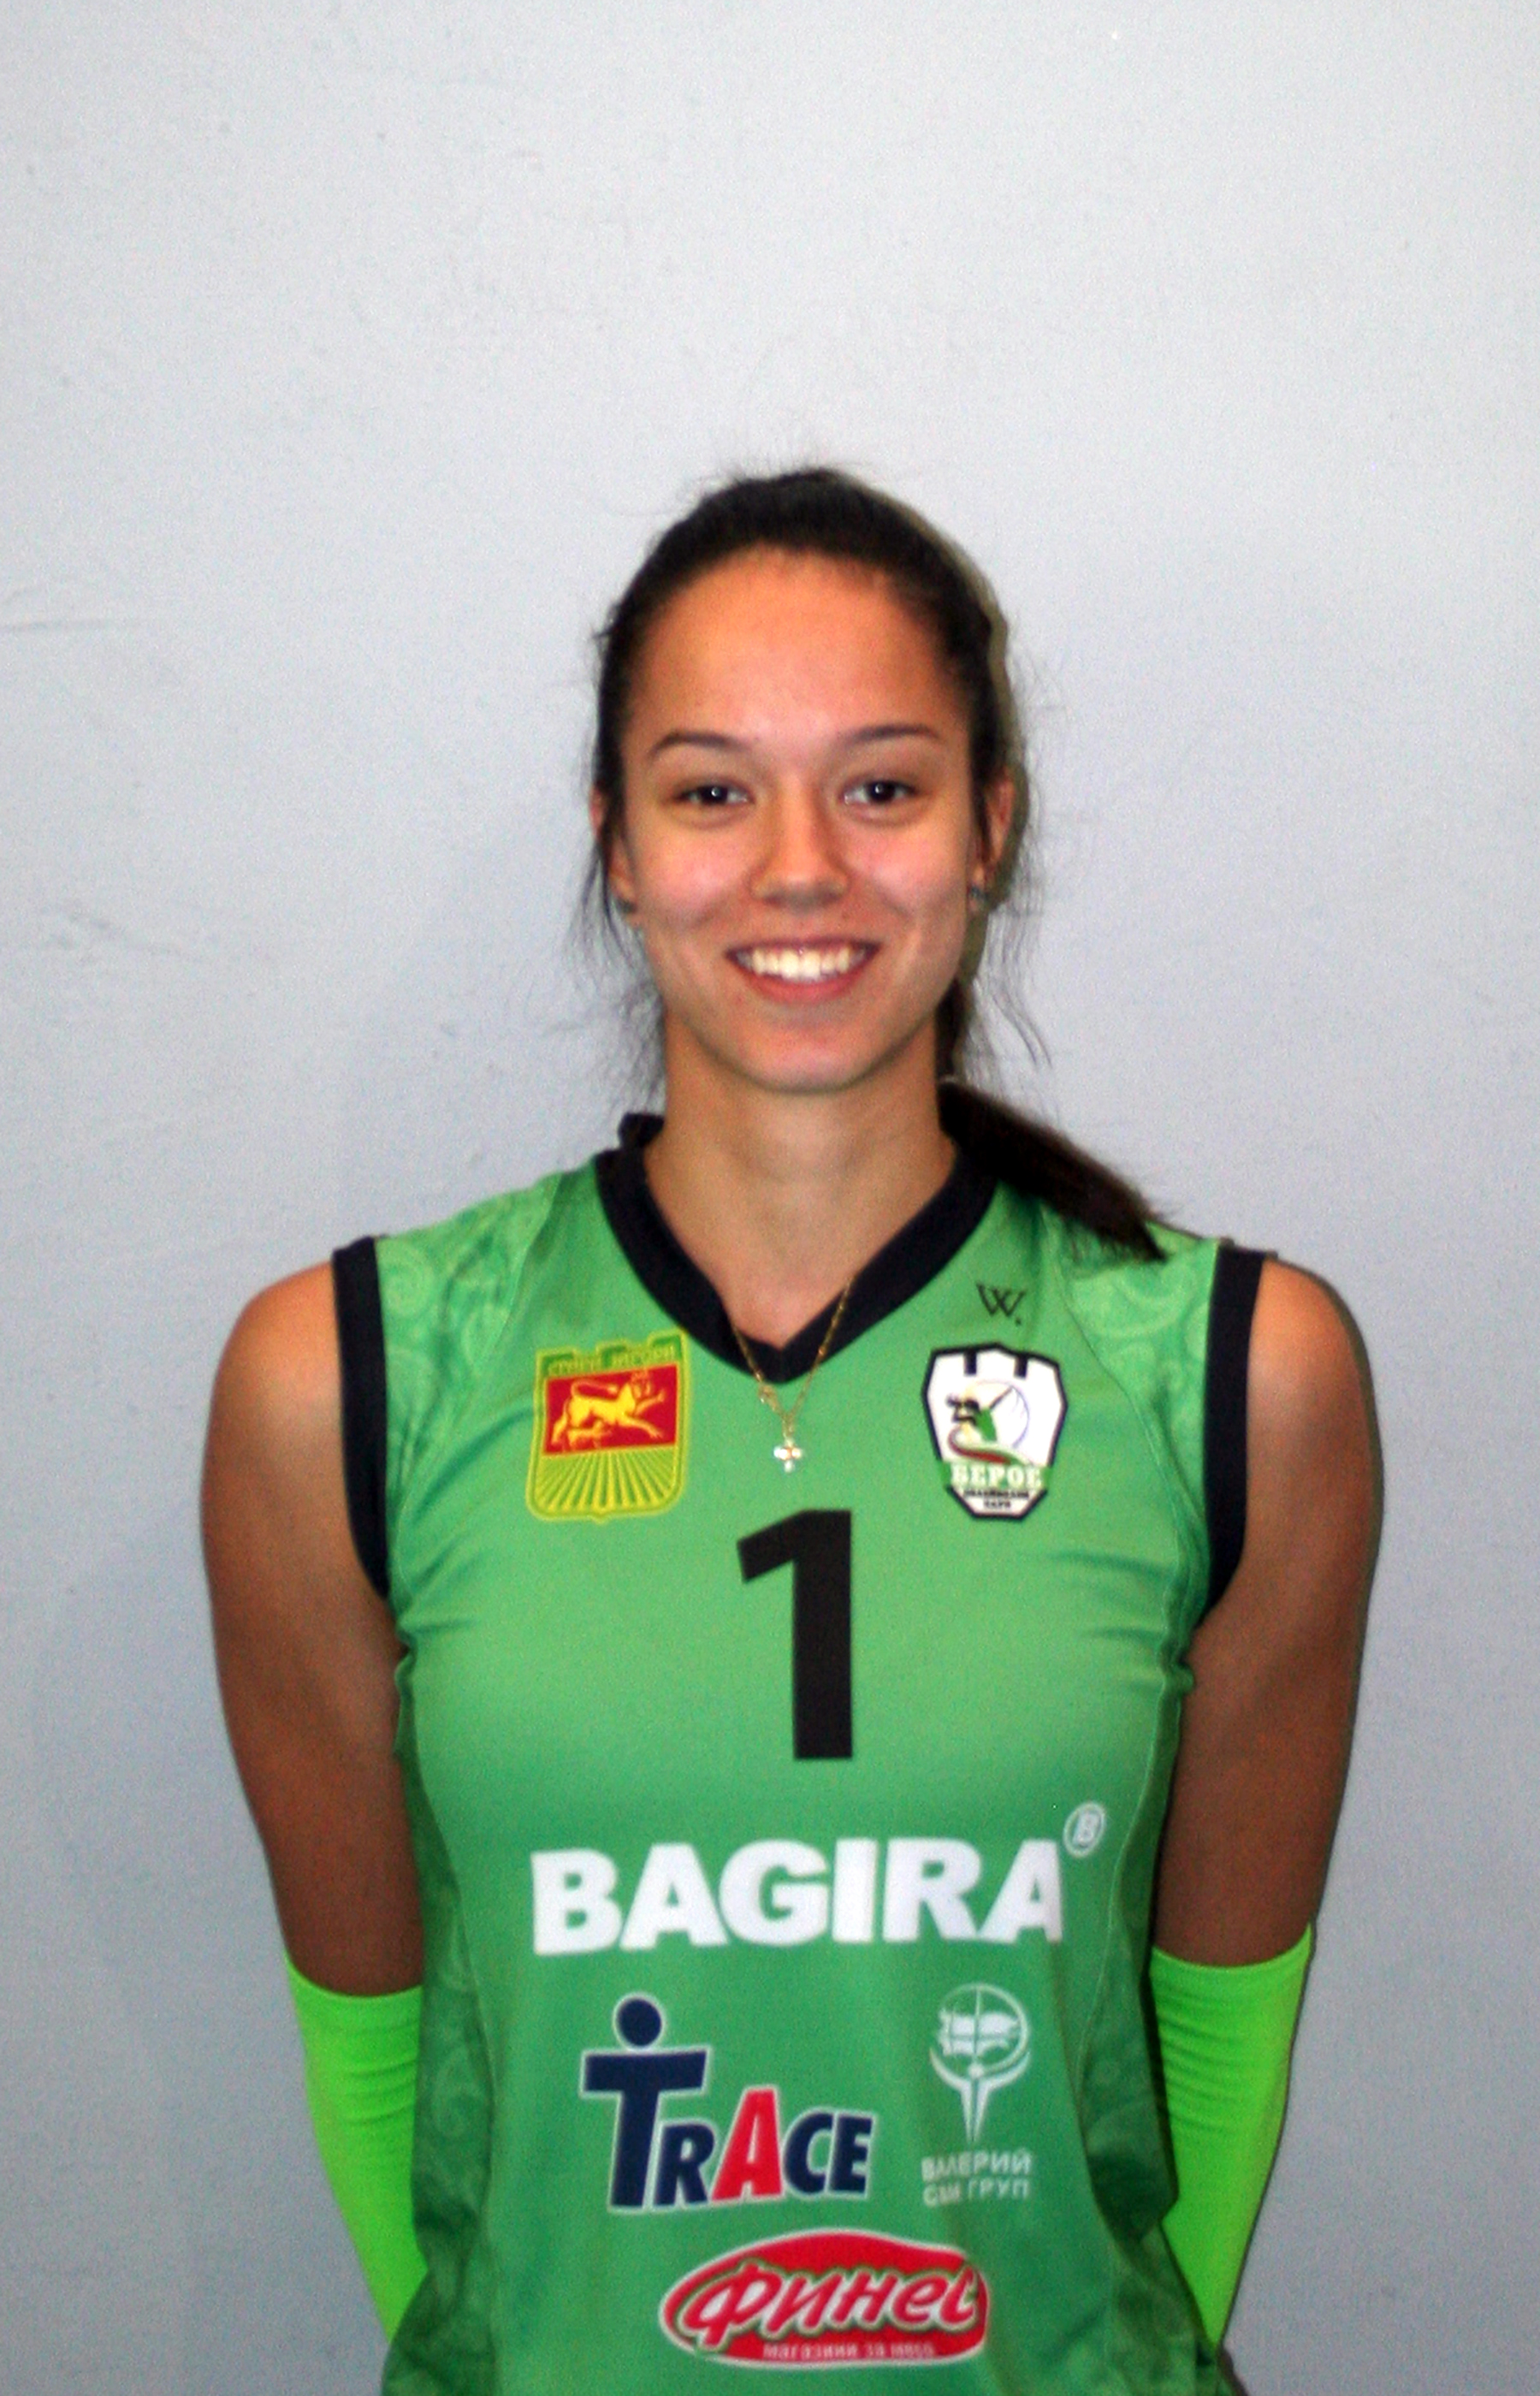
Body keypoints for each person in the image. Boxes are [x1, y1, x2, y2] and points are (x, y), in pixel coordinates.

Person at [203, 467, 1377, 2393]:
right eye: (712, 791)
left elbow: (1213, 2045)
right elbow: (385, 2063)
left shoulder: (1235, 1375)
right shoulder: (348, 1381)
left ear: (990, 828)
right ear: (617, 842)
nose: (802, 867)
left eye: (883, 785)